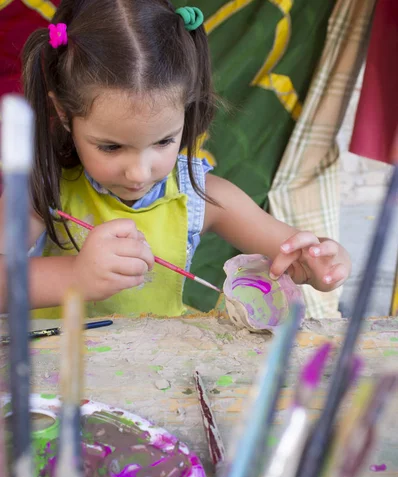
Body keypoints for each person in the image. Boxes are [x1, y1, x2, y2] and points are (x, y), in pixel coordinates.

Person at [0, 0, 351, 319]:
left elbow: (295, 251)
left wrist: (322, 262)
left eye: (164, 141)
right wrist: (76, 276)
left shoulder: (201, 196)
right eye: (111, 147)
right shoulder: (40, 190)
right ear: (63, 114)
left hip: (157, 383)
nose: (139, 172)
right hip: (56, 382)